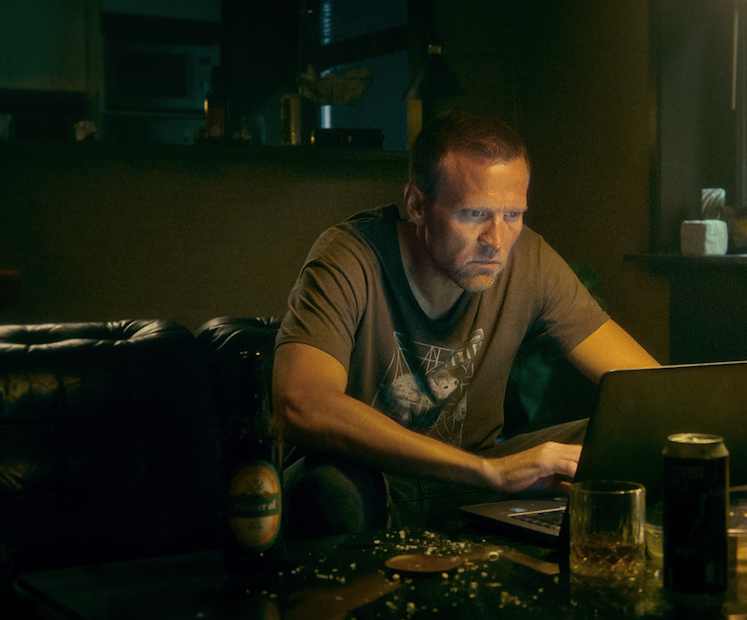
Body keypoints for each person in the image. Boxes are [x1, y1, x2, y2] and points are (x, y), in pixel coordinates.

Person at [273, 109, 659, 536]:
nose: (496, 241)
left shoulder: (528, 260)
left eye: (513, 215)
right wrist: (488, 471)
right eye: (474, 215)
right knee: (330, 489)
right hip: (370, 481)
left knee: (640, 438)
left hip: (468, 488)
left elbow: (651, 391)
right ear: (418, 205)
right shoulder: (351, 256)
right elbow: (300, 404)